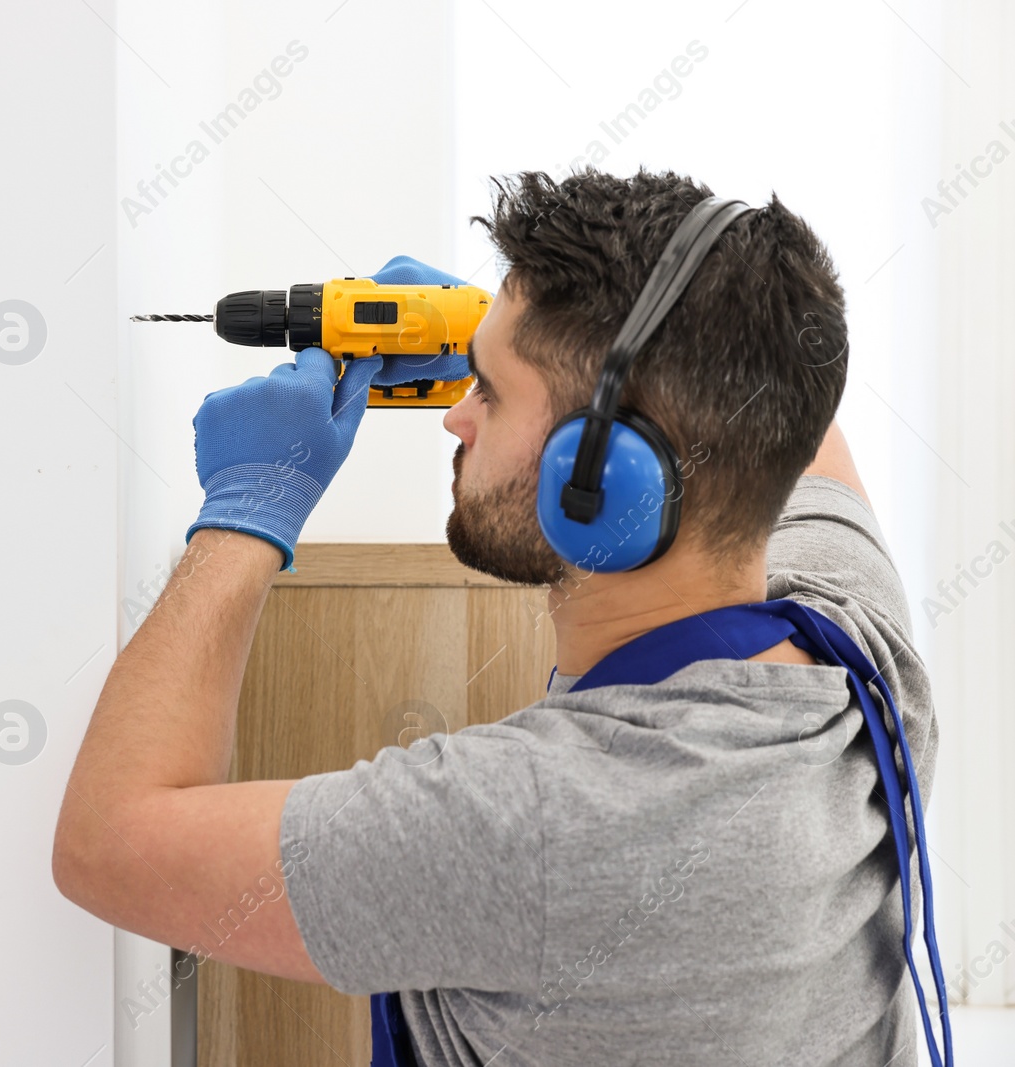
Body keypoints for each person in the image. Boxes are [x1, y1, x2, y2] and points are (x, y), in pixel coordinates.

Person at [51, 168, 937, 1065]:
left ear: (601, 478)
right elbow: (786, 395)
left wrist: (249, 511)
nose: (456, 418)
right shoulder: (864, 653)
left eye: (488, 389)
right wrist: (507, 330)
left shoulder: (531, 823)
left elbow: (106, 842)